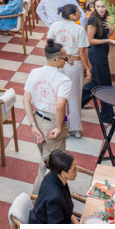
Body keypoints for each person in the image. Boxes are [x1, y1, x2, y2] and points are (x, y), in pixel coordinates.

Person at [24, 39, 71, 195]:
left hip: (38, 119)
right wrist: (59, 128)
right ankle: (35, 200)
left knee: (47, 161)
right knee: (48, 167)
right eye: (65, 58)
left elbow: (26, 99)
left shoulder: (34, 72)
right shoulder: (64, 80)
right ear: (57, 60)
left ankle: (52, 194)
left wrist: (32, 125)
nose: (66, 61)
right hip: (52, 124)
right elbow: (60, 106)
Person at [47, 4, 91, 139]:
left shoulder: (54, 26)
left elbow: (49, 44)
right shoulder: (79, 29)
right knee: (75, 97)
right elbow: (82, 52)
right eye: (78, 12)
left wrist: (61, 57)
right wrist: (87, 68)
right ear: (72, 16)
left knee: (59, 96)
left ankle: (59, 124)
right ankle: (75, 128)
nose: (80, 14)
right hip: (74, 64)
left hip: (58, 64)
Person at [28, 149, 78, 225]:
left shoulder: (54, 177)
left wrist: (76, 222)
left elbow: (67, 212)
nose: (77, 171)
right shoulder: (55, 198)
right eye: (74, 169)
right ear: (63, 173)